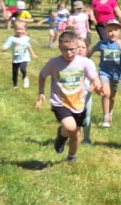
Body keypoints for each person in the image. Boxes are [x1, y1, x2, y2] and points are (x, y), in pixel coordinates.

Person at [35, 31, 106, 162]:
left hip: (79, 103)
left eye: (72, 50)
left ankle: (71, 156)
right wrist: (41, 93)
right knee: (70, 127)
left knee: (76, 135)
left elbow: (94, 78)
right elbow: (42, 75)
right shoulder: (54, 63)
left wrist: (98, 86)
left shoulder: (85, 62)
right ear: (59, 48)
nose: (68, 53)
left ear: (77, 47)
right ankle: (61, 137)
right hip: (60, 102)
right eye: (64, 50)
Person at [87, 19, 121, 128]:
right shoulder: (102, 44)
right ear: (105, 32)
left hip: (116, 74)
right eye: (110, 31)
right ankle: (105, 118)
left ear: (119, 31)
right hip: (104, 72)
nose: (113, 33)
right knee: (106, 93)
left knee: (112, 97)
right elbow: (90, 52)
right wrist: (83, 60)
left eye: (115, 30)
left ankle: (110, 112)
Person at [3, 20, 38, 89]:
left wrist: (33, 54)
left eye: (21, 29)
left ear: (25, 30)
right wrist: (4, 48)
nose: (19, 31)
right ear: (14, 30)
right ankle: (15, 86)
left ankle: (25, 77)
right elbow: (6, 45)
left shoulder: (26, 38)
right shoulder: (12, 39)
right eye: (17, 29)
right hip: (15, 59)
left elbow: (28, 46)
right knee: (15, 72)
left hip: (24, 57)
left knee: (23, 69)